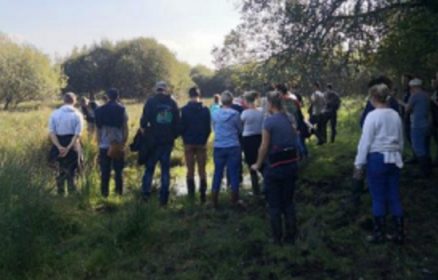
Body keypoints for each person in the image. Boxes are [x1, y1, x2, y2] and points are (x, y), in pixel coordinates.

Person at [354, 84, 404, 244]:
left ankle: (379, 234)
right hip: (394, 158)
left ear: (373, 98)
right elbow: (401, 139)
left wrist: (359, 164)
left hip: (377, 158)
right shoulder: (395, 115)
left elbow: (365, 142)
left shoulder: (372, 116)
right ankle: (399, 233)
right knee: (394, 196)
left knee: (378, 197)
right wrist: (400, 156)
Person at [251, 90, 300, 245]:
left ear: (270, 104)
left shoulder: (269, 122)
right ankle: (291, 237)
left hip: (275, 167)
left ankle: (277, 238)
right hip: (291, 164)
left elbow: (264, 147)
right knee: (288, 202)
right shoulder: (290, 118)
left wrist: (257, 164)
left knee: (274, 204)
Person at [140, 81, 180, 206]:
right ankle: (164, 200)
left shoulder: (150, 102)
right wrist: (173, 136)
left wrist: (146, 133)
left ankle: (145, 197)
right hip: (167, 142)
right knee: (165, 170)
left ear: (156, 89)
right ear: (165, 89)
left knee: (149, 169)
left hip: (153, 142)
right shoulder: (172, 102)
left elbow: (143, 122)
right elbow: (178, 122)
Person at [211, 91, 243, 208]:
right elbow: (240, 129)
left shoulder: (215, 114)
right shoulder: (235, 114)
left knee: (217, 173)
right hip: (233, 146)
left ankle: (214, 200)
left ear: (221, 101)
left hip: (219, 146)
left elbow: (214, 128)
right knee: (233, 173)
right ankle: (235, 200)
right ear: (231, 101)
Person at [95, 88, 129, 197]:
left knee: (105, 171)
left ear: (107, 97)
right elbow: (125, 128)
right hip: (117, 144)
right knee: (118, 171)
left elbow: (98, 129)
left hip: (104, 144)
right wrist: (123, 143)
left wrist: (99, 143)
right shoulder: (122, 109)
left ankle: (104, 194)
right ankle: (119, 193)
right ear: (117, 97)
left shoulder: (99, 110)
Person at [48, 92, 84, 196]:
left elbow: (51, 132)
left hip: (58, 141)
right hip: (72, 143)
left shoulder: (54, 113)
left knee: (60, 168)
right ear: (74, 101)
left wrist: (59, 147)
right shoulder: (78, 114)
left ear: (64, 101)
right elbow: (77, 135)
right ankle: (72, 191)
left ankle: (60, 192)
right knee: (72, 169)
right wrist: (68, 148)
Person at [180, 87, 211, 202]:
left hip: (188, 142)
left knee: (190, 170)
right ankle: (203, 196)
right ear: (199, 95)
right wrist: (204, 140)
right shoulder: (205, 110)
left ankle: (191, 196)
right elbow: (208, 128)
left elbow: (181, 127)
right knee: (202, 170)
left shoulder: (184, 110)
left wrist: (185, 139)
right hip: (201, 143)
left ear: (189, 95)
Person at [400, 78, 432, 177]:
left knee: (418, 147)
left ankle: (424, 171)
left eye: (411, 87)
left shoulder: (414, 96)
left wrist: (399, 102)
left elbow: (407, 108)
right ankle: (429, 168)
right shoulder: (427, 95)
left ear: (413, 87)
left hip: (417, 125)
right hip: (427, 124)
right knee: (426, 146)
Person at [241, 91, 264, 195]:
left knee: (251, 164)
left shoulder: (245, 113)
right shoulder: (261, 111)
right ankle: (267, 185)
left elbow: (240, 126)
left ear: (246, 101)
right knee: (262, 162)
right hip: (260, 138)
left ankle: (256, 190)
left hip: (248, 140)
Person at [431, 77, 438, 165]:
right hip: (435, 119)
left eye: (434, 83)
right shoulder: (434, 92)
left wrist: (433, 100)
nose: (432, 85)